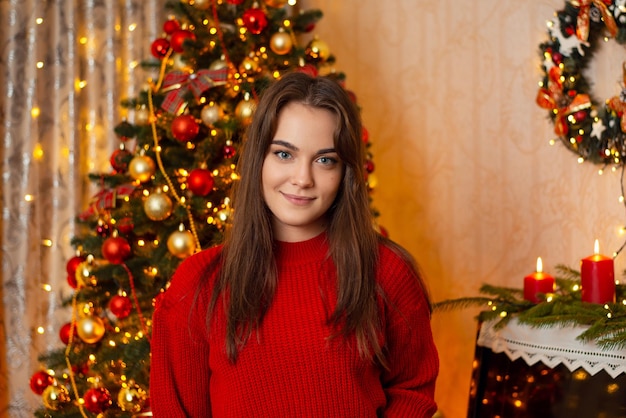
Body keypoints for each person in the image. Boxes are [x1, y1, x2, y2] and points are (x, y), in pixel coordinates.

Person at [149, 71, 439, 417]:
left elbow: (412, 392)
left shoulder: (387, 272)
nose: (302, 179)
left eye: (325, 160)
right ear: (259, 159)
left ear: (345, 173)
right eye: (284, 154)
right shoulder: (198, 283)